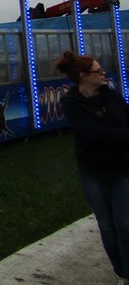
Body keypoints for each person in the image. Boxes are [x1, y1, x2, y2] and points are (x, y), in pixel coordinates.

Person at [56, 50, 129, 285]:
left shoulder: (113, 97)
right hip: (93, 173)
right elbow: (92, 133)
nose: (103, 74)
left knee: (124, 224)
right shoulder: (71, 102)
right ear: (84, 76)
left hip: (122, 169)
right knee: (107, 226)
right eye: (99, 71)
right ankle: (121, 271)